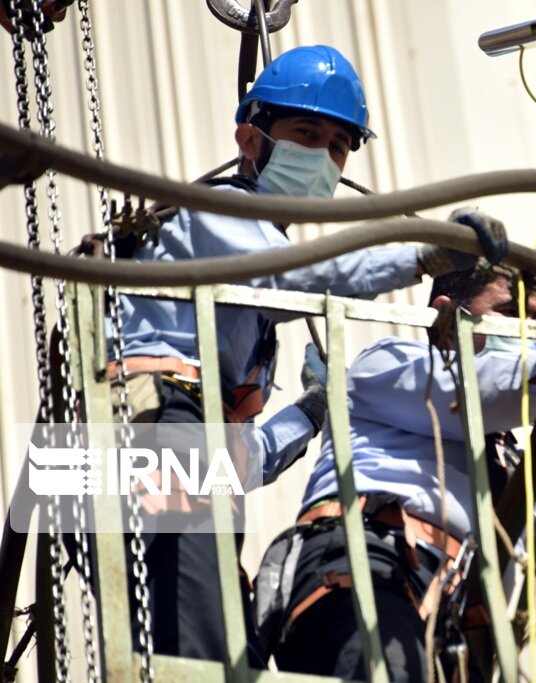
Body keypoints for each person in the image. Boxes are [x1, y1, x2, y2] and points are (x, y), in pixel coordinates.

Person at [104, 45, 508, 665]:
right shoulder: (217, 216)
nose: (324, 156)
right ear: (250, 139)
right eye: (307, 132)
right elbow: (301, 274)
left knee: (222, 651)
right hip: (141, 440)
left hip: (160, 460)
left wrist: (313, 411)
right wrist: (422, 254)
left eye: (340, 146)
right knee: (205, 658)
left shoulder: (229, 343)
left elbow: (247, 460)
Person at [256, 264, 536, 681]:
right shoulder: (387, 365)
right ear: (445, 319)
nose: (527, 331)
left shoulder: (507, 467)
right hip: (365, 572)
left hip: (449, 629)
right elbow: (479, 393)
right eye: (508, 311)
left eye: (534, 318)